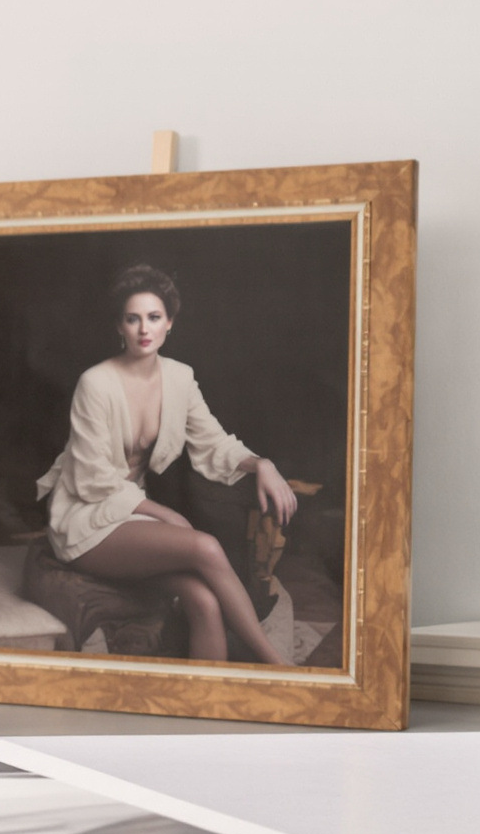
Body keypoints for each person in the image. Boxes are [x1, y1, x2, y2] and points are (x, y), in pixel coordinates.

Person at [35, 264, 296, 666]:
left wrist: (263, 464)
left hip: (131, 516)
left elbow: (214, 442)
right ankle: (277, 667)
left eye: (154, 317)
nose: (144, 329)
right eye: (133, 318)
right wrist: (163, 514)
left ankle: (202, 706)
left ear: (169, 323)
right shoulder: (96, 383)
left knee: (204, 601)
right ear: (119, 326)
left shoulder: (180, 378)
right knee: (204, 546)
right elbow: (91, 478)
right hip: (86, 518)